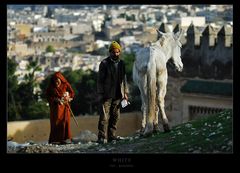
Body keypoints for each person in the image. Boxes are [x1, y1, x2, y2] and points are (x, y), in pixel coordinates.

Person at [97, 41, 129, 144]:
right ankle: (101, 137)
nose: (115, 54)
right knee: (104, 117)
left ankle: (111, 136)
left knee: (115, 116)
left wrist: (125, 93)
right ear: (110, 52)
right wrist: (100, 93)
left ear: (119, 52)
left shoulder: (122, 63)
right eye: (113, 52)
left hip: (118, 94)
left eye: (117, 52)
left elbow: (124, 79)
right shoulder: (104, 63)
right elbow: (100, 80)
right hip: (106, 94)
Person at [46, 72, 75, 145]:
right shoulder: (51, 87)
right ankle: (56, 140)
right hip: (56, 109)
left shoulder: (66, 85)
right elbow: (48, 96)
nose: (56, 83)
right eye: (55, 81)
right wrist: (55, 100)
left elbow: (72, 93)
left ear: (61, 80)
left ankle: (66, 139)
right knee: (56, 123)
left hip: (65, 107)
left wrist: (68, 97)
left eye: (58, 81)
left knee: (65, 122)